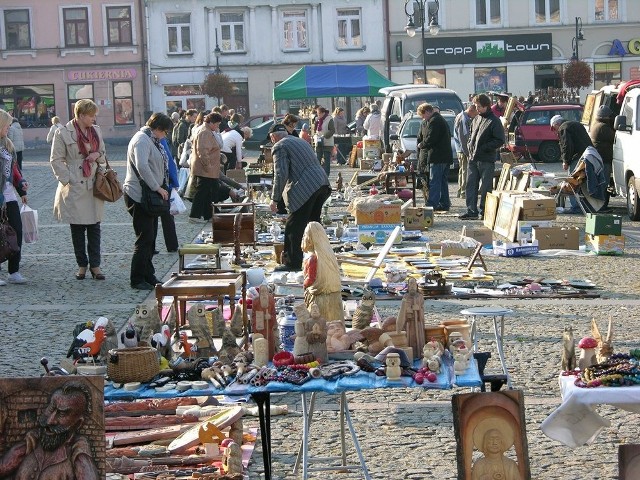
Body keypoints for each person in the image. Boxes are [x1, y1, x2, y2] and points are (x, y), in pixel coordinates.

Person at [50, 99, 107, 280]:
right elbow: (56, 159)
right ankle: (82, 265)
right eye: (91, 115)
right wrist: (69, 179)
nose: (94, 118)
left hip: (93, 184)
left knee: (94, 226)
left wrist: (97, 155)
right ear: (81, 115)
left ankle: (95, 265)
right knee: (77, 227)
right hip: (75, 184)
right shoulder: (63, 133)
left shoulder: (96, 131)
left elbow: (103, 154)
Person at [0, 381, 100, 479]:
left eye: (62, 414)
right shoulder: (30, 443)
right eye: (51, 408)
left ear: (78, 423)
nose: (50, 421)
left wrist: (82, 455)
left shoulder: (77, 454)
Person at [269, 123, 330, 272]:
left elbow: (281, 173)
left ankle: (292, 263)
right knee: (313, 224)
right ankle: (319, 259)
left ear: (273, 137)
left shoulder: (279, 146)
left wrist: (275, 199)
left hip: (307, 185)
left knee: (294, 225)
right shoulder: (299, 141)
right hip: (322, 182)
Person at [123, 112, 174, 290]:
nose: (165, 135)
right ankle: (136, 279)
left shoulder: (150, 139)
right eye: (165, 132)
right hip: (139, 196)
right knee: (145, 239)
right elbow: (142, 166)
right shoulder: (142, 140)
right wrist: (157, 187)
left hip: (149, 195)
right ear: (158, 128)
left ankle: (148, 274)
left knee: (151, 239)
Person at [459, 94, 504, 220]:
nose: (476, 108)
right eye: (476, 106)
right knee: (470, 185)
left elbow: (499, 140)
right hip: (473, 158)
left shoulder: (494, 121)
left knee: (485, 187)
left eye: (479, 106)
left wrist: (484, 147)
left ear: (486, 106)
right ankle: (471, 210)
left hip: (486, 159)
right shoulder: (476, 119)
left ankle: (485, 211)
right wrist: (470, 147)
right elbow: (471, 136)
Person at [0, 110, 28, 285]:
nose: (9, 128)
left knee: (17, 231)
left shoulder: (7, 144)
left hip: (9, 197)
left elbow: (15, 169)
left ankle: (14, 271)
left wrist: (22, 187)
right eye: (7, 125)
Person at [550, 114, 594, 214]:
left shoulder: (563, 128)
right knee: (583, 181)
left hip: (578, 157)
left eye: (553, 128)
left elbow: (567, 145)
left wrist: (566, 161)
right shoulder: (575, 124)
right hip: (588, 155)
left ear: (557, 124)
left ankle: (576, 207)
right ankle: (586, 205)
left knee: (572, 181)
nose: (554, 131)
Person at [302, 222, 344, 322]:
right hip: (334, 297)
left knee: (318, 327)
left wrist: (303, 284)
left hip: (319, 299)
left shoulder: (312, 258)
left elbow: (311, 278)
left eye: (304, 235)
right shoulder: (329, 255)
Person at [185, 112, 224, 222]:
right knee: (202, 192)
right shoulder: (205, 132)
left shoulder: (206, 130)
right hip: (205, 168)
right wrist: (208, 166)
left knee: (209, 192)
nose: (217, 127)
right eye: (216, 124)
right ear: (211, 122)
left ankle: (209, 215)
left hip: (208, 168)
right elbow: (203, 150)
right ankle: (194, 215)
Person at [416, 103, 452, 211]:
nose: (423, 119)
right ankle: (445, 203)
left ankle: (432, 204)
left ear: (427, 112)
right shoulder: (439, 119)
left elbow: (431, 138)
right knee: (442, 181)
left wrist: (421, 145)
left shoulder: (434, 121)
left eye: (423, 116)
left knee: (435, 181)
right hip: (445, 156)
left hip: (438, 156)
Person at [589, 105, 616, 210]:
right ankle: (600, 207)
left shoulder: (596, 125)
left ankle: (600, 205)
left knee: (602, 183)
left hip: (600, 158)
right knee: (603, 184)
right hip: (603, 159)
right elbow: (614, 137)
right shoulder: (603, 127)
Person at [453, 104, 478, 198]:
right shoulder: (464, 119)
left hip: (459, 148)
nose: (476, 115)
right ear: (471, 110)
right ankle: (464, 191)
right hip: (463, 149)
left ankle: (460, 190)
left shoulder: (460, 116)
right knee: (465, 171)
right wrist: (467, 152)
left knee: (462, 170)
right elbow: (464, 137)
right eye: (476, 113)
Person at [313, 106, 335, 176]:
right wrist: (316, 136)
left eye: (319, 114)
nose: (318, 115)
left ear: (323, 113)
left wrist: (324, 136)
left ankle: (326, 174)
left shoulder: (329, 119)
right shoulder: (317, 120)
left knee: (326, 159)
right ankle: (317, 174)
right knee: (317, 158)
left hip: (327, 142)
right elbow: (315, 130)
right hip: (318, 141)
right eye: (317, 114)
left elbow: (332, 130)